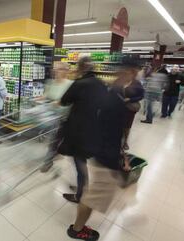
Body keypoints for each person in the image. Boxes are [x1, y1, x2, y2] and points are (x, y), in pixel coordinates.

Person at [65, 60, 128, 241]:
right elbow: (106, 126)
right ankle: (77, 229)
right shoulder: (108, 92)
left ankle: (78, 225)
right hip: (102, 153)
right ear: (128, 72)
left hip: (96, 148)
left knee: (89, 190)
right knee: (92, 194)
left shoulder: (111, 92)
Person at [59, 57, 107, 204]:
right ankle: (81, 186)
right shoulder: (101, 84)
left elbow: (64, 100)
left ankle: (81, 194)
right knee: (82, 161)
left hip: (79, 130)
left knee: (80, 162)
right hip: (94, 128)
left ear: (80, 68)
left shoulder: (80, 83)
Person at [39, 62, 73, 172]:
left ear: (65, 71)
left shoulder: (70, 84)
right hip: (52, 116)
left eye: (59, 69)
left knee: (54, 140)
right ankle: (52, 157)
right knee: (54, 139)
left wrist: (59, 102)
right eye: (55, 69)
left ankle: (48, 161)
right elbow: (46, 95)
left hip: (64, 117)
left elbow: (72, 101)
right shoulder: (51, 83)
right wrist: (40, 98)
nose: (56, 71)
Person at [116, 59, 144, 151]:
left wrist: (130, 99)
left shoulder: (137, 84)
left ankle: (125, 142)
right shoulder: (119, 81)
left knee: (127, 126)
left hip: (129, 108)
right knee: (118, 124)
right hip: (118, 107)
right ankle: (117, 141)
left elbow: (141, 95)